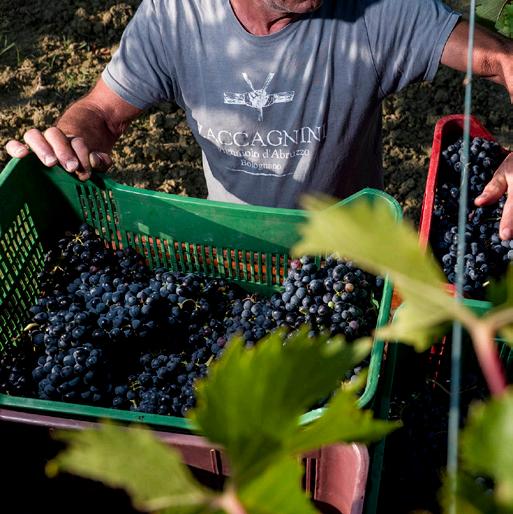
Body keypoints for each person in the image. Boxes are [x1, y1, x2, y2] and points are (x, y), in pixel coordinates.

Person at [5, 0, 513, 237]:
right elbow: (100, 113)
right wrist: (71, 138)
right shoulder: (175, 16)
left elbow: (502, 57)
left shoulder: (376, 12)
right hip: (236, 246)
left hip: (346, 257)